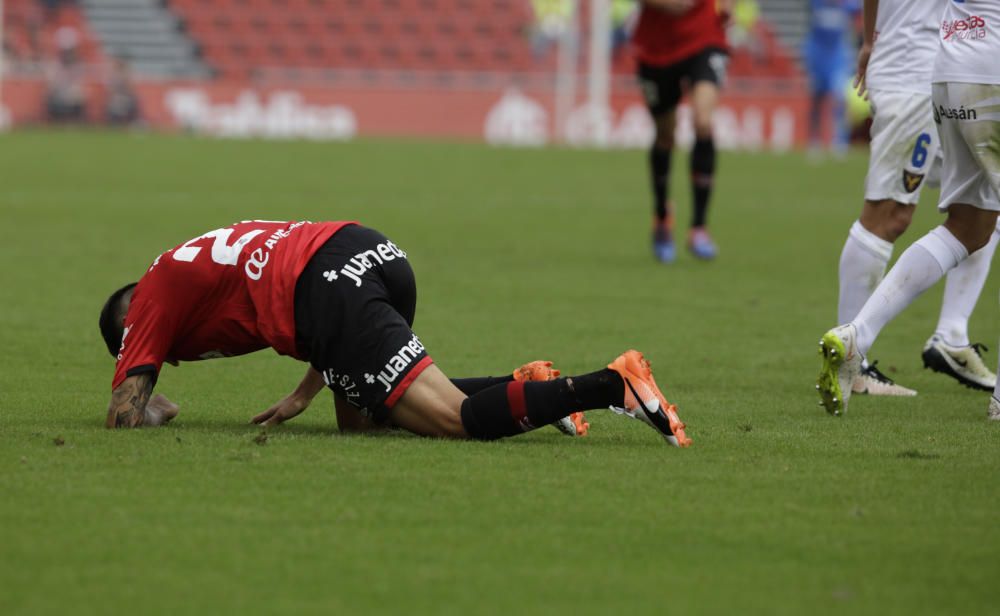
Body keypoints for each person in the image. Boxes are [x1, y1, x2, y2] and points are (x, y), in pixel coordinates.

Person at [99, 220, 690, 445]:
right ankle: (522, 383)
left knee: (459, 422)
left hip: (330, 290)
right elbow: (291, 291)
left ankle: (611, 385)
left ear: (131, 324)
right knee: (367, 418)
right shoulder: (184, 266)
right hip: (363, 250)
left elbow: (124, 416)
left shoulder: (148, 299)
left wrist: (157, 406)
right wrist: (307, 391)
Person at [817, 1, 1000, 419]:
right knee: (887, 213)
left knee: (973, 223)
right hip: (929, 68)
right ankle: (856, 361)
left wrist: (867, 39)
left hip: (949, 65)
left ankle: (939, 334)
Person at [632, 0, 731, 263]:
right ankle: (662, 218)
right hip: (657, 47)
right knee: (666, 134)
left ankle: (699, 227)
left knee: (702, 121)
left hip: (704, 36)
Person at [801, 0, 860, 157]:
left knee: (840, 98)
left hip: (837, 57)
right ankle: (814, 141)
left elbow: (863, 11)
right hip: (817, 56)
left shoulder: (848, 5)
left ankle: (840, 140)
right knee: (816, 99)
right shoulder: (816, 3)